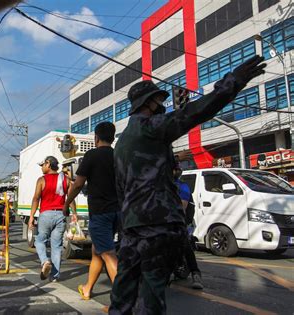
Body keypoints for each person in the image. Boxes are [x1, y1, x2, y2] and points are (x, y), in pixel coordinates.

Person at [110, 55, 266, 314]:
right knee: (151, 294)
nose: (163, 104)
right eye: (159, 100)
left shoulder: (122, 141)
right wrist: (233, 82)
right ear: (148, 103)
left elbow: (120, 189)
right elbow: (196, 111)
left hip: (131, 227)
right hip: (158, 224)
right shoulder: (151, 127)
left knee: (123, 292)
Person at [63, 122, 120, 300]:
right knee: (97, 251)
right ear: (112, 137)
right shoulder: (118, 156)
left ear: (96, 137)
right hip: (118, 212)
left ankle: (124, 299)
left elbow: (78, 183)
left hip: (100, 212)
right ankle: (87, 288)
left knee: (108, 254)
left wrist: (66, 204)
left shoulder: (92, 155)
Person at [29, 156, 77, 282]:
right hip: (61, 215)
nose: (41, 167)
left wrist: (31, 217)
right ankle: (54, 276)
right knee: (56, 246)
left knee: (39, 241)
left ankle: (45, 261)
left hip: (46, 215)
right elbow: (70, 198)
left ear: (48, 164)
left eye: (42, 165)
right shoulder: (66, 180)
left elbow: (36, 199)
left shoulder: (41, 180)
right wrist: (74, 214)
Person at [173, 164, 203, 290]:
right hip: (162, 222)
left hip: (179, 221)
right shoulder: (160, 186)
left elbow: (182, 208)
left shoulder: (182, 186)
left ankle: (195, 274)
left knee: (185, 244)